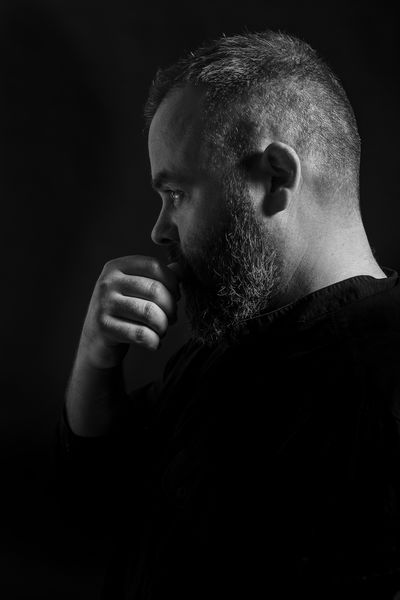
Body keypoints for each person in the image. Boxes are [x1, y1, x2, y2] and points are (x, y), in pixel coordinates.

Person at [58, 30, 400, 599]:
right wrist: (96, 360)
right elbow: (100, 503)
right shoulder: (222, 349)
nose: (159, 229)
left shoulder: (385, 386)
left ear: (276, 176)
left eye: (176, 193)